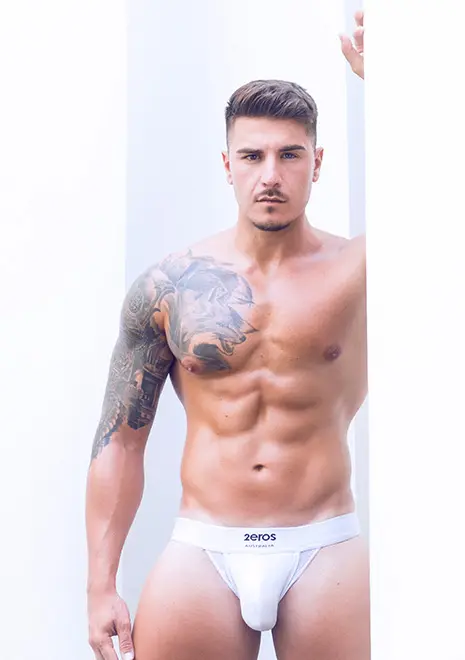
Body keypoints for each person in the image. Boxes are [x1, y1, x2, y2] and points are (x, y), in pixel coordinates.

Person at [86, 10, 366, 660]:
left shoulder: (359, 273)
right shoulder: (171, 286)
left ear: (317, 163)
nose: (271, 174)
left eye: (290, 154)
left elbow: (454, 204)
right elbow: (120, 440)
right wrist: (100, 585)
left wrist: (401, 89)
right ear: (227, 164)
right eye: (252, 155)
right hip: (204, 548)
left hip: (323, 541)